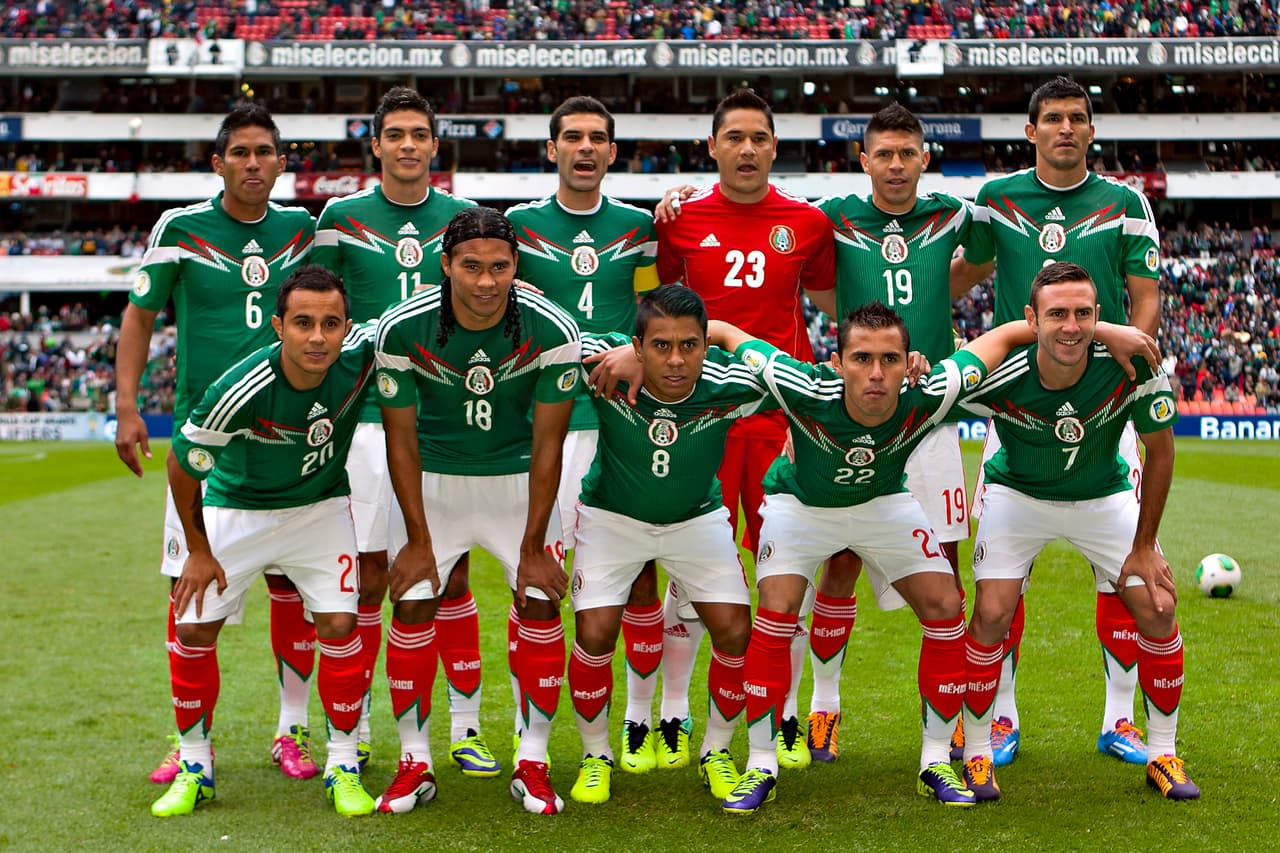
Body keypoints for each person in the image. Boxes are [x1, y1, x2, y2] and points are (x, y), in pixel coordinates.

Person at [952, 75, 1162, 767]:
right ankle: (1001, 718)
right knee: (1002, 582)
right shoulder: (996, 198)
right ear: (1031, 130)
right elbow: (959, 274)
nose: (1065, 128)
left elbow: (1145, 296)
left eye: (1077, 117)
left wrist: (1132, 363)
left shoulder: (1124, 203)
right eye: (1053, 118)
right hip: (1017, 401)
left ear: (1091, 130)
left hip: (1103, 401)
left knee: (1121, 573)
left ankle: (1120, 719)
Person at [114, 104, 321, 786]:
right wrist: (127, 406)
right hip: (205, 440)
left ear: (282, 162)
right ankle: (188, 740)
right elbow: (139, 317)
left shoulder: (302, 230)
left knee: (292, 586)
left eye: (264, 152)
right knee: (188, 592)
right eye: (240, 152)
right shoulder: (179, 229)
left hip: (289, 434)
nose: (252, 163)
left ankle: (292, 730)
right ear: (218, 163)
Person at [641, 89, 836, 772]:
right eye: (735, 137)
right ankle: (672, 712)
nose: (747, 149)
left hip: (778, 418)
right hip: (699, 417)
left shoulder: (808, 222)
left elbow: (833, 303)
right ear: (712, 146)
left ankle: (783, 712)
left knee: (785, 570)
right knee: (691, 570)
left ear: (775, 147)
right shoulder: (681, 221)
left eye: (759, 138)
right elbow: (655, 307)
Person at [957, 262, 1198, 802]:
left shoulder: (1131, 364)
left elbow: (1161, 451)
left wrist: (1144, 546)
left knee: (1158, 606)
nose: (1071, 326)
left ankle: (1163, 753)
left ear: (1099, 316)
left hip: (1103, 497)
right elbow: (936, 392)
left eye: (1084, 314)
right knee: (992, 613)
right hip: (1017, 495)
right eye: (1057, 314)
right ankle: (976, 752)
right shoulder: (1000, 369)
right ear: (1031, 319)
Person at [310, 87, 494, 779]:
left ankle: (466, 728)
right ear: (377, 144)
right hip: (365, 420)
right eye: (396, 134)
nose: (409, 144)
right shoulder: (340, 217)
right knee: (366, 576)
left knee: (451, 572)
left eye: (420, 133)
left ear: (435, 145)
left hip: (444, 419)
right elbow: (321, 308)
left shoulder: (464, 220)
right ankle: (354, 727)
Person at [373, 206, 580, 815]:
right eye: (471, 267)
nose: (486, 281)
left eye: (499, 267)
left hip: (517, 484)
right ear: (445, 265)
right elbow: (400, 441)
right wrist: (417, 540)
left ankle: (533, 761)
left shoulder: (553, 329)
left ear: (517, 265)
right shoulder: (400, 329)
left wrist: (534, 545)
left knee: (540, 601)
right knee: (412, 602)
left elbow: (548, 445)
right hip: (433, 484)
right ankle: (414, 761)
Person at [151, 266, 376, 817]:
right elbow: (182, 465)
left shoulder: (362, 358)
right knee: (193, 628)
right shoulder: (240, 388)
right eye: (303, 323)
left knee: (340, 624)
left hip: (319, 510)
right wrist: (198, 551)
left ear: (347, 328)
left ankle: (343, 765)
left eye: (330, 324)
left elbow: (417, 313)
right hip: (237, 511)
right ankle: (195, 765)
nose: (317, 337)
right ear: (279, 326)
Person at [796, 102, 978, 764]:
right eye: (884, 154)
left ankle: (951, 720)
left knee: (946, 569)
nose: (896, 165)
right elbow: (788, 252)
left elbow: (991, 256)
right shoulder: (832, 216)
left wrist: (939, 300)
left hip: (929, 419)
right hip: (856, 417)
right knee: (841, 559)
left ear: (925, 158)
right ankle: (824, 705)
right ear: (863, 159)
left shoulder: (954, 215)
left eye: (907, 153)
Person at [505, 96, 666, 775]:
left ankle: (639, 721)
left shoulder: (638, 227)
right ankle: (533, 737)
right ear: (552, 149)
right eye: (572, 136)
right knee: (538, 580)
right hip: (544, 428)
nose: (585, 147)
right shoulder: (517, 227)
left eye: (598, 137)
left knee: (641, 575)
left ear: (612, 151)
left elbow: (655, 311)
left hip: (622, 423)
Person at [567, 286, 766, 806]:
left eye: (689, 345)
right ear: (637, 345)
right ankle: (595, 755)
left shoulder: (731, 383)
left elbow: (791, 375)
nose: (676, 360)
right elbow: (552, 335)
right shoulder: (603, 365)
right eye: (659, 346)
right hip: (612, 518)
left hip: (695, 519)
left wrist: (727, 333)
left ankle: (716, 751)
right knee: (594, 632)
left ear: (705, 346)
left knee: (735, 631)